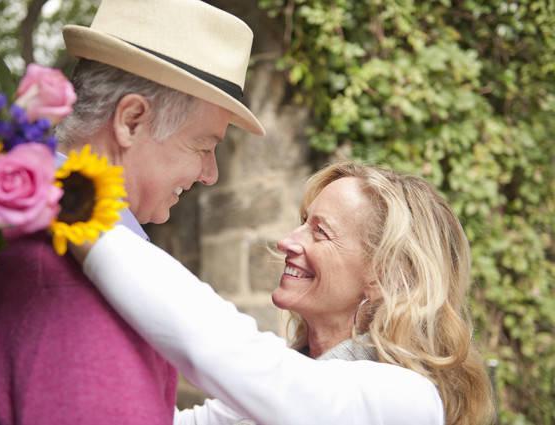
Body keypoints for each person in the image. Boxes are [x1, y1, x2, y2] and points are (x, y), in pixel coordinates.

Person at [0, 0, 264, 423]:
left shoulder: (6, 233)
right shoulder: (70, 282)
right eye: (204, 146)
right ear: (131, 120)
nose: (210, 174)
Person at [74, 162, 496, 425]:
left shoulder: (407, 401)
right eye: (302, 222)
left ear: (385, 278)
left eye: (320, 231)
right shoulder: (293, 373)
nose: (286, 241)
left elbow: (224, 353)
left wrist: (77, 210)